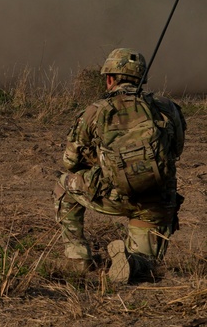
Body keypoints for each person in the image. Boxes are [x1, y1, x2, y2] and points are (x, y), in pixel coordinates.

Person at [55, 48, 185, 283]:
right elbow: (176, 151)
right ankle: (133, 263)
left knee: (63, 186)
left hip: (113, 194)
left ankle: (78, 259)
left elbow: (70, 161)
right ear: (141, 80)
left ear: (109, 79)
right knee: (149, 265)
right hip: (155, 201)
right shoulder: (168, 108)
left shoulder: (95, 111)